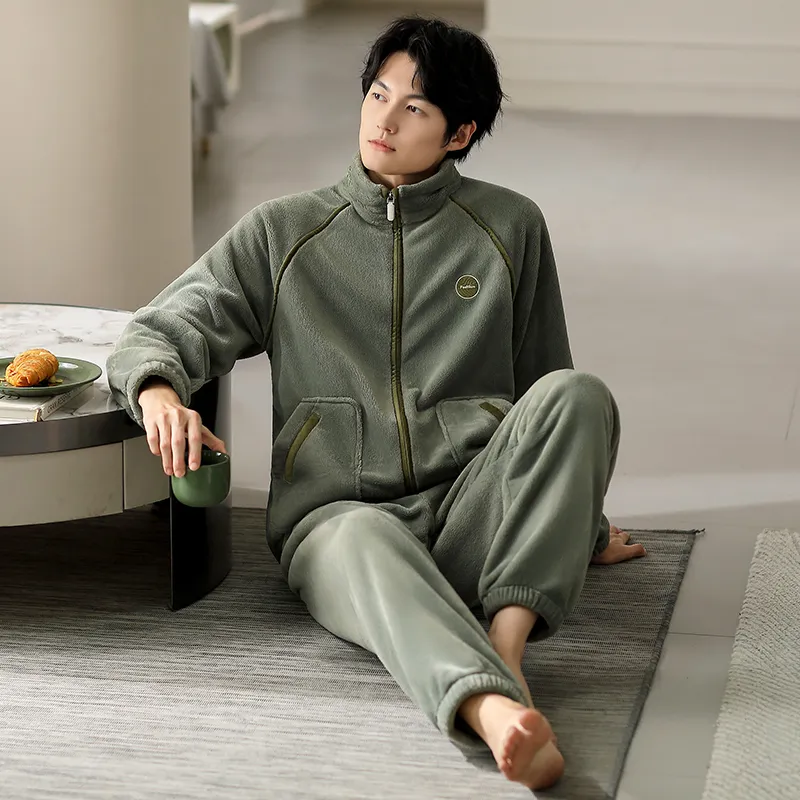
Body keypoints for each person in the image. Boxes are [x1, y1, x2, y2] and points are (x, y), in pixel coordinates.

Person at [107, 16, 646, 791]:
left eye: (414, 107)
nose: (384, 120)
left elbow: (545, 384)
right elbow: (162, 325)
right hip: (339, 521)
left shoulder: (509, 226)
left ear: (459, 133)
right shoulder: (285, 233)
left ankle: (508, 644)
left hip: (468, 513)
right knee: (365, 536)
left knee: (582, 394)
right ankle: (492, 708)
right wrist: (160, 394)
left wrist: (578, 522)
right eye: (377, 94)